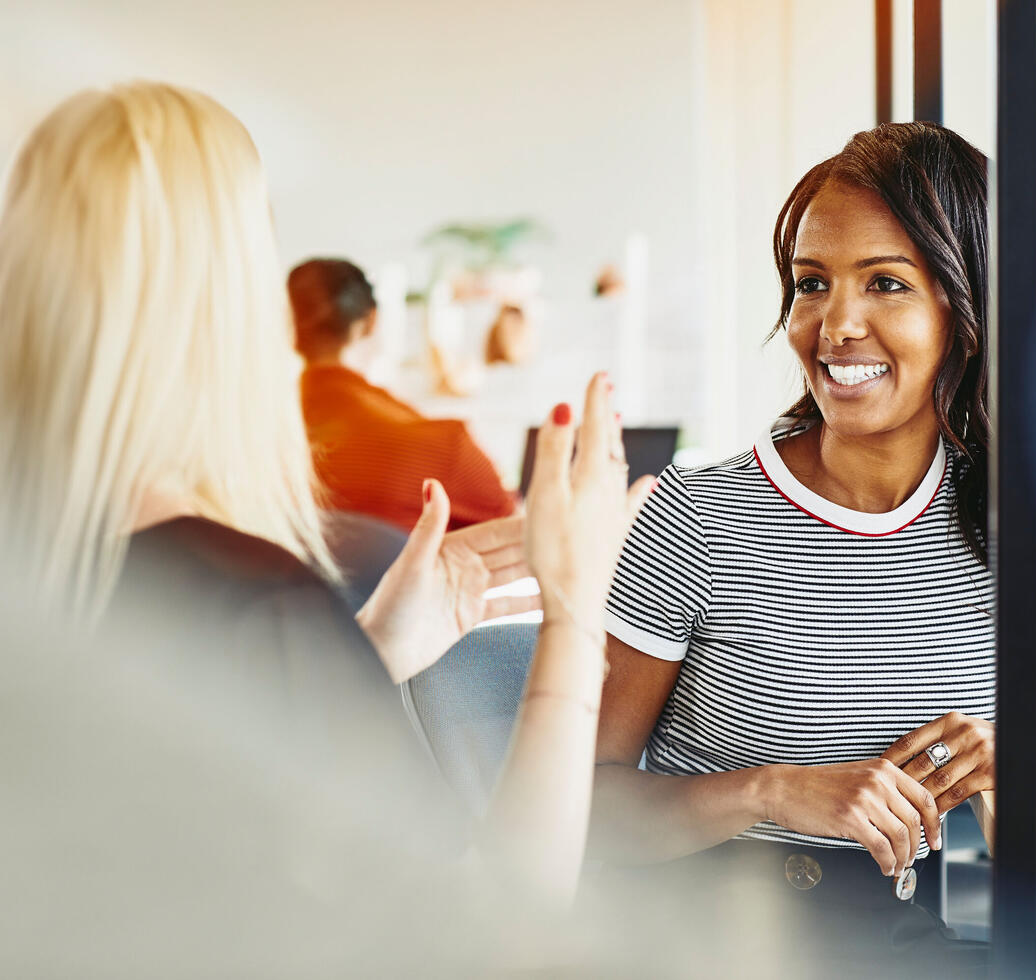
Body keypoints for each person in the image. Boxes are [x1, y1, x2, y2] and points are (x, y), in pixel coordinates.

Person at [0, 82, 650, 974]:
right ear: (227, 303)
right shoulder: (256, 604)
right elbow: (498, 942)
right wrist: (574, 621)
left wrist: (364, 653)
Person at [589, 122, 1036, 972]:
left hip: (920, 931)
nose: (835, 325)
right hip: (714, 936)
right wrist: (770, 788)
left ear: (966, 305)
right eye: (811, 283)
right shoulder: (699, 516)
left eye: (885, 283)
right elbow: (579, 809)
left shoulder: (1025, 511)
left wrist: (1035, 747)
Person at [288, 257, 515, 532]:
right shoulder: (442, 449)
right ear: (372, 321)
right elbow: (510, 527)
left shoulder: (254, 437)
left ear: (289, 329)